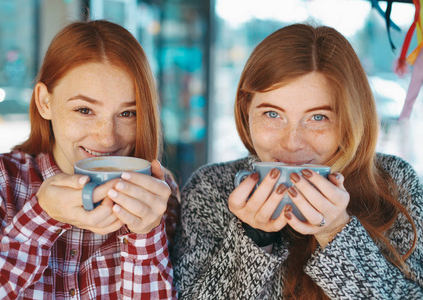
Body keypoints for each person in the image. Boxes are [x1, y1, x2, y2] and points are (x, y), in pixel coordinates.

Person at [172, 23, 423, 299]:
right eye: (271, 114)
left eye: (318, 118)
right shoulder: (211, 189)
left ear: (351, 120)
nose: (292, 142)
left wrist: (337, 233)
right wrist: (253, 239)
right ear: (247, 111)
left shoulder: (395, 183)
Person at [0, 20, 179, 299]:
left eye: (128, 113)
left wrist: (146, 234)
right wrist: (40, 218)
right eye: (84, 110)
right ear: (45, 102)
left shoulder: (158, 193)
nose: (107, 139)